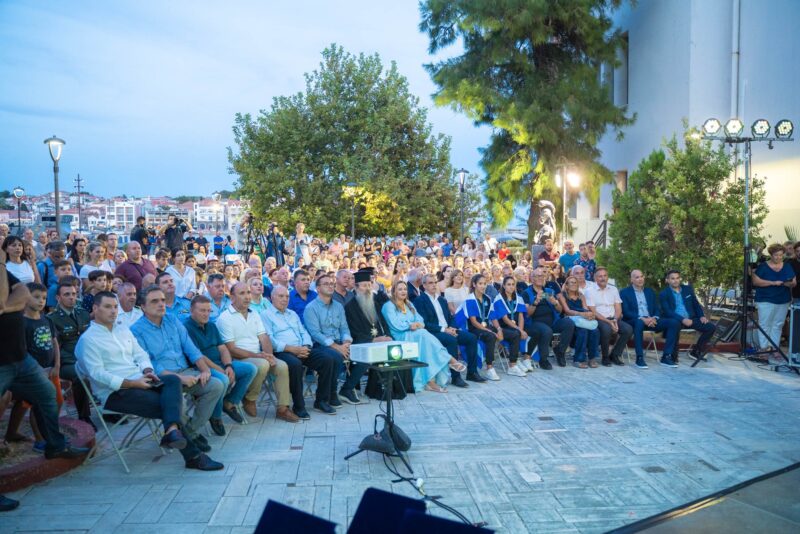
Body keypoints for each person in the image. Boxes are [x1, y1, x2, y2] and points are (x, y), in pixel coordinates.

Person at [76, 291, 223, 471]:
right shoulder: (88, 340)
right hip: (116, 392)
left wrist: (147, 371)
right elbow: (97, 374)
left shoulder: (122, 330)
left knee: (172, 381)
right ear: (95, 308)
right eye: (107, 307)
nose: (113, 311)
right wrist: (132, 383)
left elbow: (140, 354)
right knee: (168, 404)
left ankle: (172, 431)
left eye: (115, 307)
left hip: (141, 380)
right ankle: (192, 455)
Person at [0, 252, 88, 513]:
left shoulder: (4, 272)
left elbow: (22, 294)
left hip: (20, 358)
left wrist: (6, 305)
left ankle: (55, 445)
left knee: (47, 394)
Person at [130, 285, 225, 452]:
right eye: (155, 301)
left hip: (185, 370)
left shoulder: (172, 320)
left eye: (162, 300)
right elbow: (151, 364)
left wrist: (205, 370)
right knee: (178, 403)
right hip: (163, 379)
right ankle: (190, 436)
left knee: (216, 385)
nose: (161, 304)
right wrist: (180, 379)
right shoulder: (136, 330)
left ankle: (190, 431)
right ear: (143, 306)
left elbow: (191, 348)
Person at [216, 283, 299, 423]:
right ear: (232, 297)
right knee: (262, 364)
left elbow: (264, 337)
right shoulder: (225, 317)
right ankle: (250, 398)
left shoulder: (254, 313)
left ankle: (282, 408)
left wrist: (269, 355)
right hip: (237, 358)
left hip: (257, 356)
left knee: (281, 366)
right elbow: (231, 349)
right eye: (242, 293)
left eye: (248, 292)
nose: (247, 296)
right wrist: (260, 356)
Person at [264, 285, 342, 417]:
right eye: (281, 296)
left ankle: (321, 401)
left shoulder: (292, 314)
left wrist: (306, 346)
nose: (285, 299)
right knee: (295, 365)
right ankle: (299, 405)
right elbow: (269, 339)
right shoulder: (265, 315)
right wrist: (291, 349)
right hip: (282, 351)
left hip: (301, 348)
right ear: (272, 297)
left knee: (327, 360)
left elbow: (303, 331)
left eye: (287, 296)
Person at [183, 295, 257, 432]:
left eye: (208, 310)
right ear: (192, 310)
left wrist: (228, 366)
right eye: (202, 310)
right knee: (223, 379)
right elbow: (198, 356)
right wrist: (220, 369)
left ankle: (229, 402)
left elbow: (222, 348)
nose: (206, 314)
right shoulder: (186, 327)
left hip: (221, 363)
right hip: (202, 367)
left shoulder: (211, 325)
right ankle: (216, 416)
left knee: (250, 369)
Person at [382, 281, 462, 393]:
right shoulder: (388, 306)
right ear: (394, 292)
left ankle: (431, 381)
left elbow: (420, 319)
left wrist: (418, 324)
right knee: (423, 335)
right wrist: (411, 325)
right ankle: (449, 359)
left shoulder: (409, 304)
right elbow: (395, 324)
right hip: (400, 335)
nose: (403, 291)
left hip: (415, 333)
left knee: (426, 345)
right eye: (400, 289)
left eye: (405, 289)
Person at [304, 273, 365, 404]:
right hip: (321, 345)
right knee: (336, 357)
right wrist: (337, 347)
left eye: (332, 284)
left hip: (340, 343)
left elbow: (344, 328)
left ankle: (346, 389)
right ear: (318, 288)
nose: (330, 286)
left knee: (364, 354)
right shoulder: (311, 308)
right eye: (326, 284)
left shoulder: (338, 306)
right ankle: (331, 393)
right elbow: (315, 334)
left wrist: (346, 343)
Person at [414, 274, 481, 386]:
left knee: (471, 338)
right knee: (451, 340)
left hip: (448, 330)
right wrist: (444, 330)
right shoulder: (420, 300)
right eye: (430, 283)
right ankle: (456, 377)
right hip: (434, 332)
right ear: (424, 285)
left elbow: (450, 318)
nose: (434, 285)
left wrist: (452, 328)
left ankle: (472, 372)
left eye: (435, 282)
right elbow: (424, 323)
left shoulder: (441, 299)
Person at [344, 270, 395, 396]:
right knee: (368, 354)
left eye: (369, 285)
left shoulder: (375, 303)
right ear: (356, 287)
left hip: (377, 340)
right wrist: (372, 340)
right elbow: (353, 331)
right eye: (364, 285)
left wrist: (388, 336)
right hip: (359, 342)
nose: (368, 288)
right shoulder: (350, 307)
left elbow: (383, 324)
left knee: (395, 351)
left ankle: (382, 388)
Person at [48, 281, 92, 424]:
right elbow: (55, 348)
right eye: (67, 294)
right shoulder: (52, 319)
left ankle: (108, 411)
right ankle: (84, 417)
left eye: (74, 294)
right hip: (67, 362)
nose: (72, 297)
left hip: (88, 358)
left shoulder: (83, 314)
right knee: (81, 376)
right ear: (58, 298)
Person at [620, 270, 680, 368]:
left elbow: (657, 308)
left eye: (641, 276)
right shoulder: (624, 292)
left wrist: (654, 318)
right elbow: (626, 312)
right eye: (637, 277)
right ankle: (639, 358)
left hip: (651, 320)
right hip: (634, 320)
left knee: (674, 322)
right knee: (639, 322)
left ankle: (666, 356)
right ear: (631, 279)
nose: (640, 279)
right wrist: (642, 318)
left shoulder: (649, 291)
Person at [522, 268, 575, 370]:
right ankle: (543, 359)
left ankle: (560, 351)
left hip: (553, 321)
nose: (540, 278)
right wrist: (535, 302)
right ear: (532, 278)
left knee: (569, 323)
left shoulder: (549, 291)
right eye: (537, 276)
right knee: (547, 331)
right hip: (534, 323)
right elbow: (527, 314)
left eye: (542, 276)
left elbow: (560, 310)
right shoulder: (526, 293)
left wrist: (555, 303)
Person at [659, 270, 717, 361]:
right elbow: (667, 312)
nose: (675, 280)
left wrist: (701, 316)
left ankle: (696, 351)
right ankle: (673, 356)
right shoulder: (664, 293)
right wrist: (682, 319)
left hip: (691, 319)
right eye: (672, 278)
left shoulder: (688, 289)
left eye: (677, 278)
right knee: (674, 326)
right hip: (676, 320)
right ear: (668, 280)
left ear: (680, 279)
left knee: (711, 327)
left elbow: (696, 304)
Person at [752, 244, 797, 354]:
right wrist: (773, 283)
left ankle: (774, 348)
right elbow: (756, 282)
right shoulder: (763, 266)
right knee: (765, 324)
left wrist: (789, 284)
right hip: (765, 299)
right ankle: (763, 349)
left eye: (781, 255)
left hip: (783, 299)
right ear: (771, 255)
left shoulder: (787, 266)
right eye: (776, 255)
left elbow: (794, 282)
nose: (779, 257)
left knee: (778, 325)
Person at [458, 274, 501, 380]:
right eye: (480, 284)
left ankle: (513, 363)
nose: (483, 286)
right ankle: (489, 368)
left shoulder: (488, 299)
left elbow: (493, 317)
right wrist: (490, 331)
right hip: (473, 329)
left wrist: (499, 329)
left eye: (484, 284)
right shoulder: (470, 299)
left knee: (502, 333)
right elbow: (473, 322)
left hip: (485, 327)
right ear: (474, 285)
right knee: (490, 336)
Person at [585, 267, 630, 366]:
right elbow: (593, 311)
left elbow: (618, 308)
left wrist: (615, 320)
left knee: (628, 329)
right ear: (595, 278)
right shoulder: (589, 291)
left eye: (605, 276)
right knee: (606, 329)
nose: (603, 278)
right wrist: (609, 322)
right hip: (599, 319)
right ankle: (605, 357)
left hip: (613, 318)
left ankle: (615, 355)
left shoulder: (613, 289)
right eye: (600, 276)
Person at [559, 275, 600, 368]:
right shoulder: (562, 296)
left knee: (595, 331)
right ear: (566, 285)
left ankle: (592, 358)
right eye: (571, 282)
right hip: (570, 320)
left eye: (575, 282)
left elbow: (585, 308)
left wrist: (589, 314)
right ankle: (579, 359)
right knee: (583, 331)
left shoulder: (581, 295)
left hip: (582, 319)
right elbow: (567, 311)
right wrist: (581, 314)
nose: (574, 284)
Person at [490, 276, 528, 377]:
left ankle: (518, 359)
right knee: (515, 334)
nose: (511, 287)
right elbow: (505, 319)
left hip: (515, 327)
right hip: (502, 327)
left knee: (523, 332)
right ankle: (512, 365)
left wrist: (521, 330)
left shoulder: (518, 298)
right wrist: (520, 330)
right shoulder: (499, 299)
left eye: (513, 284)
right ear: (504, 286)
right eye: (508, 284)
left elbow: (521, 316)